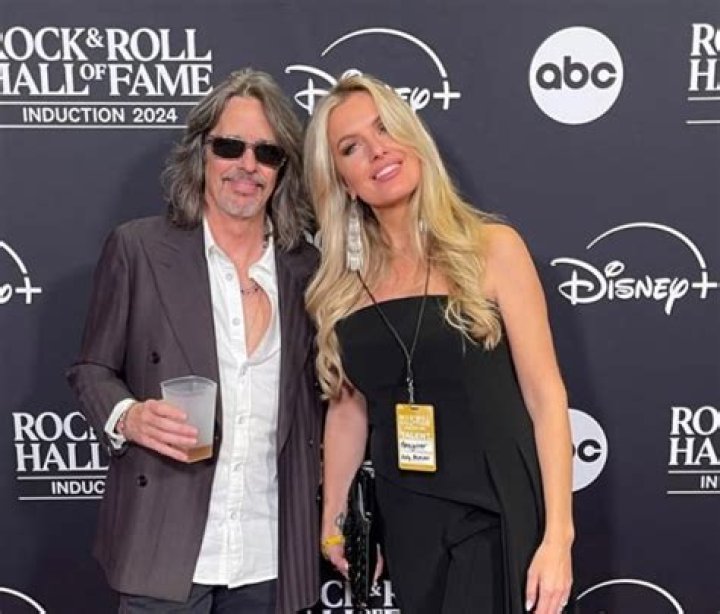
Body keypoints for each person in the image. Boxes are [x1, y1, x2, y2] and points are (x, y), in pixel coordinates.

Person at [304, 74, 574, 614]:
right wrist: (335, 517)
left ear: (412, 136)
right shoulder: (342, 287)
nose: (377, 150)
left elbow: (546, 398)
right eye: (351, 147)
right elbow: (349, 407)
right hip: (408, 518)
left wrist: (558, 537)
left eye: (385, 128)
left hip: (495, 510)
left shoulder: (492, 249)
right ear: (343, 182)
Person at [67, 69, 322, 614]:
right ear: (201, 152)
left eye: (267, 153)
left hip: (271, 553)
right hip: (166, 545)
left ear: (283, 170)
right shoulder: (138, 249)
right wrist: (128, 416)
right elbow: (91, 369)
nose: (248, 165)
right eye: (230, 146)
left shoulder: (308, 268)